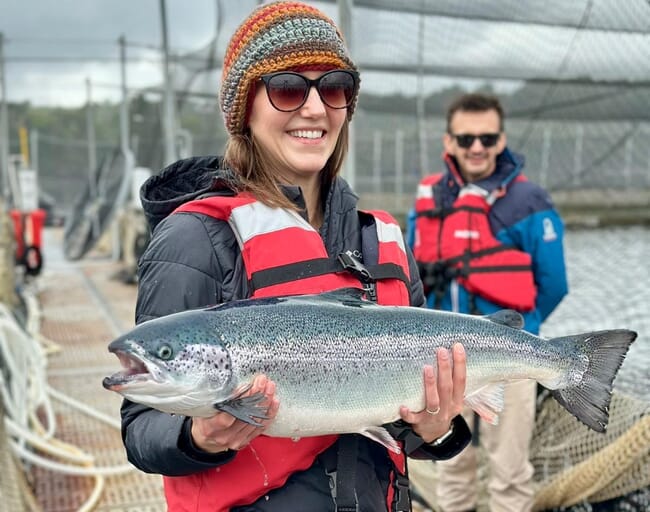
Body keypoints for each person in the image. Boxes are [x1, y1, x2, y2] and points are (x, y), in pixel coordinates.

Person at [120, 2, 472, 511]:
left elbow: (403, 437)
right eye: (288, 88)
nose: (313, 108)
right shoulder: (193, 239)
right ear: (245, 108)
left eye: (333, 88)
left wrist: (437, 430)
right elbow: (141, 428)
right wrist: (198, 438)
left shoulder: (380, 239)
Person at [407, 93, 568, 512]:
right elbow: (407, 273)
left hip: (508, 359)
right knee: (451, 467)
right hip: (440, 360)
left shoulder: (530, 202)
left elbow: (553, 284)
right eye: (465, 139)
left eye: (486, 137)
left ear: (501, 141)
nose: (476, 147)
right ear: (449, 143)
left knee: (510, 472)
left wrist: (521, 332)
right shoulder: (428, 200)